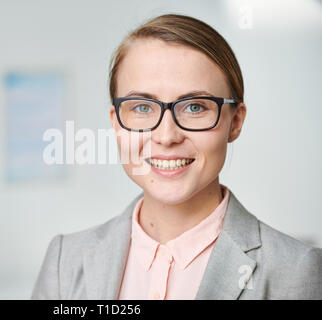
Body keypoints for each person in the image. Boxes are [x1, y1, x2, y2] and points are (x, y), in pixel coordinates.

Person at [31, 13, 322, 300]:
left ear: (235, 121)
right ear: (117, 122)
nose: (167, 136)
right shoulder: (65, 261)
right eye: (143, 107)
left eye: (195, 107)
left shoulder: (296, 271)